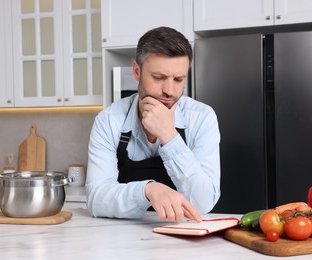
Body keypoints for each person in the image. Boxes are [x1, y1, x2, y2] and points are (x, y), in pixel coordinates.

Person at [86, 26, 221, 223]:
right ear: (136, 71)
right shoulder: (108, 120)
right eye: (158, 78)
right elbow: (96, 199)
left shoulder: (202, 118)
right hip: (121, 239)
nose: (169, 90)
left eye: (178, 79)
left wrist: (169, 135)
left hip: (183, 237)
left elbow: (204, 202)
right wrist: (148, 190)